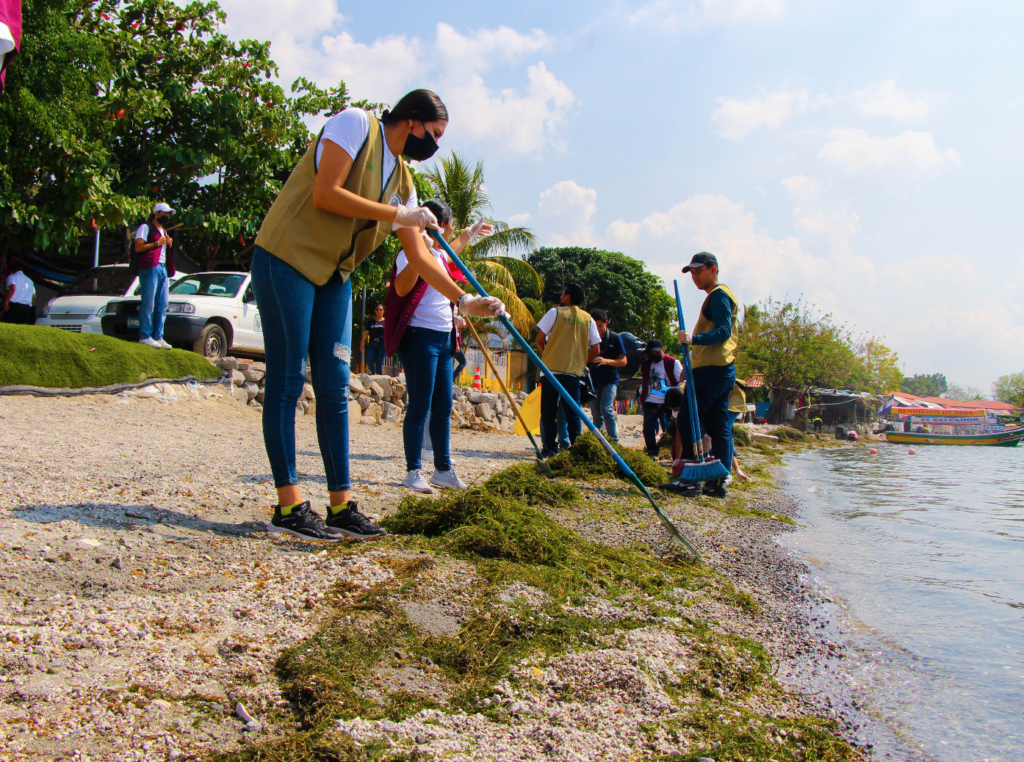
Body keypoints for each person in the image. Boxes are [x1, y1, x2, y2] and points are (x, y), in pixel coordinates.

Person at [251, 89, 504, 542]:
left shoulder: (404, 180)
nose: (435, 145)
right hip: (287, 257)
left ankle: (341, 506)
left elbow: (423, 260)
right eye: (435, 134)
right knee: (288, 379)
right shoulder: (355, 125)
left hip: (333, 274)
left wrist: (461, 301)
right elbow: (326, 194)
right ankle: (288, 506)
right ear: (411, 120)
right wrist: (399, 214)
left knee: (334, 385)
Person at [386, 198, 490, 494]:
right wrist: (422, 255)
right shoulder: (411, 251)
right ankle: (413, 470)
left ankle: (442, 469)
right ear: (435, 226)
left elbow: (449, 251)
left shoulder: (439, 254)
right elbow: (402, 287)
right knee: (419, 404)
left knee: (443, 404)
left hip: (444, 337)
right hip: (419, 336)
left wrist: (468, 235)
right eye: (447, 229)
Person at [676, 251, 740, 499]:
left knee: (687, 419)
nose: (694, 276)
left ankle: (691, 481)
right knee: (717, 426)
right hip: (722, 371)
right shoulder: (720, 295)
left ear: (713, 269)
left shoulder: (718, 296)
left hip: (712, 372)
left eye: (699, 270)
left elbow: (723, 331)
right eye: (691, 272)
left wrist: (694, 339)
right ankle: (717, 482)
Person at [535, 283, 600, 457]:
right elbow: (596, 350)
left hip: (550, 371)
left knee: (548, 411)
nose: (561, 295)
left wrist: (547, 354)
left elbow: (539, 339)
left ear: (567, 296)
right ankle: (576, 449)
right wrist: (582, 363)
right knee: (573, 412)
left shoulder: (555, 313)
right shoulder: (588, 319)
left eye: (563, 293)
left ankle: (550, 447)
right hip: (573, 372)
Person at [133, 202, 176, 349]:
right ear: (156, 213)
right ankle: (145, 335)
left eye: (169, 214)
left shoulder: (163, 230)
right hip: (150, 267)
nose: (167, 217)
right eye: (165, 214)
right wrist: (157, 243)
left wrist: (167, 243)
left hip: (163, 267)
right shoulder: (145, 227)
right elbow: (138, 247)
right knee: (149, 302)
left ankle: (158, 336)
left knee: (162, 304)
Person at [639, 340, 683, 458]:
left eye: (657, 352)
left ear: (663, 350)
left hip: (669, 401)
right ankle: (653, 452)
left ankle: (671, 451)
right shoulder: (645, 363)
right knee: (648, 428)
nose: (655, 355)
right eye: (652, 352)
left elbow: (681, 381)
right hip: (650, 400)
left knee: (671, 428)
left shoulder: (673, 363)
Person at [587, 309, 627, 442]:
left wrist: (606, 361)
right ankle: (599, 442)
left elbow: (623, 361)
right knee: (596, 413)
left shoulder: (615, 338)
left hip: (609, 379)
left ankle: (613, 441)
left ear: (606, 323)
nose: (597, 330)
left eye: (600, 326)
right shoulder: (588, 338)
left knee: (606, 409)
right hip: (592, 380)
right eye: (594, 326)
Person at [728, 381, 750, 483]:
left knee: (724, 433)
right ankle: (732, 471)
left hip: (733, 399)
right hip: (724, 398)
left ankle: (728, 472)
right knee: (724, 434)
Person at [360, 304, 386, 374]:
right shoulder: (371, 322)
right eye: (377, 309)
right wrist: (362, 342)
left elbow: (389, 333)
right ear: (375, 311)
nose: (379, 311)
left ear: (383, 311)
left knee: (379, 363)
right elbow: (366, 333)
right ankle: (373, 374)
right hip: (372, 344)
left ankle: (379, 378)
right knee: (370, 361)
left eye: (381, 309)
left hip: (382, 345)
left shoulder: (386, 322)